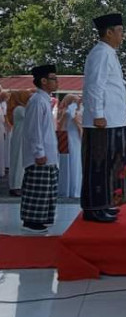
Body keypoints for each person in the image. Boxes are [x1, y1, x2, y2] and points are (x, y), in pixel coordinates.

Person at [81, 13, 126, 223]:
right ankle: (93, 208)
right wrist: (98, 115)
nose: (122, 35)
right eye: (120, 31)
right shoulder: (101, 53)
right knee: (98, 166)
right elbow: (95, 86)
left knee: (111, 165)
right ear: (109, 32)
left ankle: (104, 203)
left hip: (114, 120)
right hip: (102, 122)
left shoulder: (109, 53)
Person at [20, 65, 59, 233]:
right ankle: (31, 221)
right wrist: (39, 152)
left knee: (46, 190)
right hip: (40, 156)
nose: (57, 82)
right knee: (37, 190)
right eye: (53, 78)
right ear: (43, 81)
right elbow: (34, 129)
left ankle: (42, 219)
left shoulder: (44, 100)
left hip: (49, 153)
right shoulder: (36, 101)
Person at [7, 90, 34, 196]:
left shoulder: (20, 108)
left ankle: (17, 185)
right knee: (18, 162)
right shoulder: (19, 109)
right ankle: (16, 186)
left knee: (19, 162)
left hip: (21, 137)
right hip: (20, 138)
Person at [58, 94, 83, 198]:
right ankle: (74, 189)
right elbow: (78, 125)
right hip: (74, 138)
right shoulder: (72, 110)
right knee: (75, 161)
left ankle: (66, 188)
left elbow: (60, 125)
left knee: (68, 162)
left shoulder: (65, 111)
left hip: (67, 137)